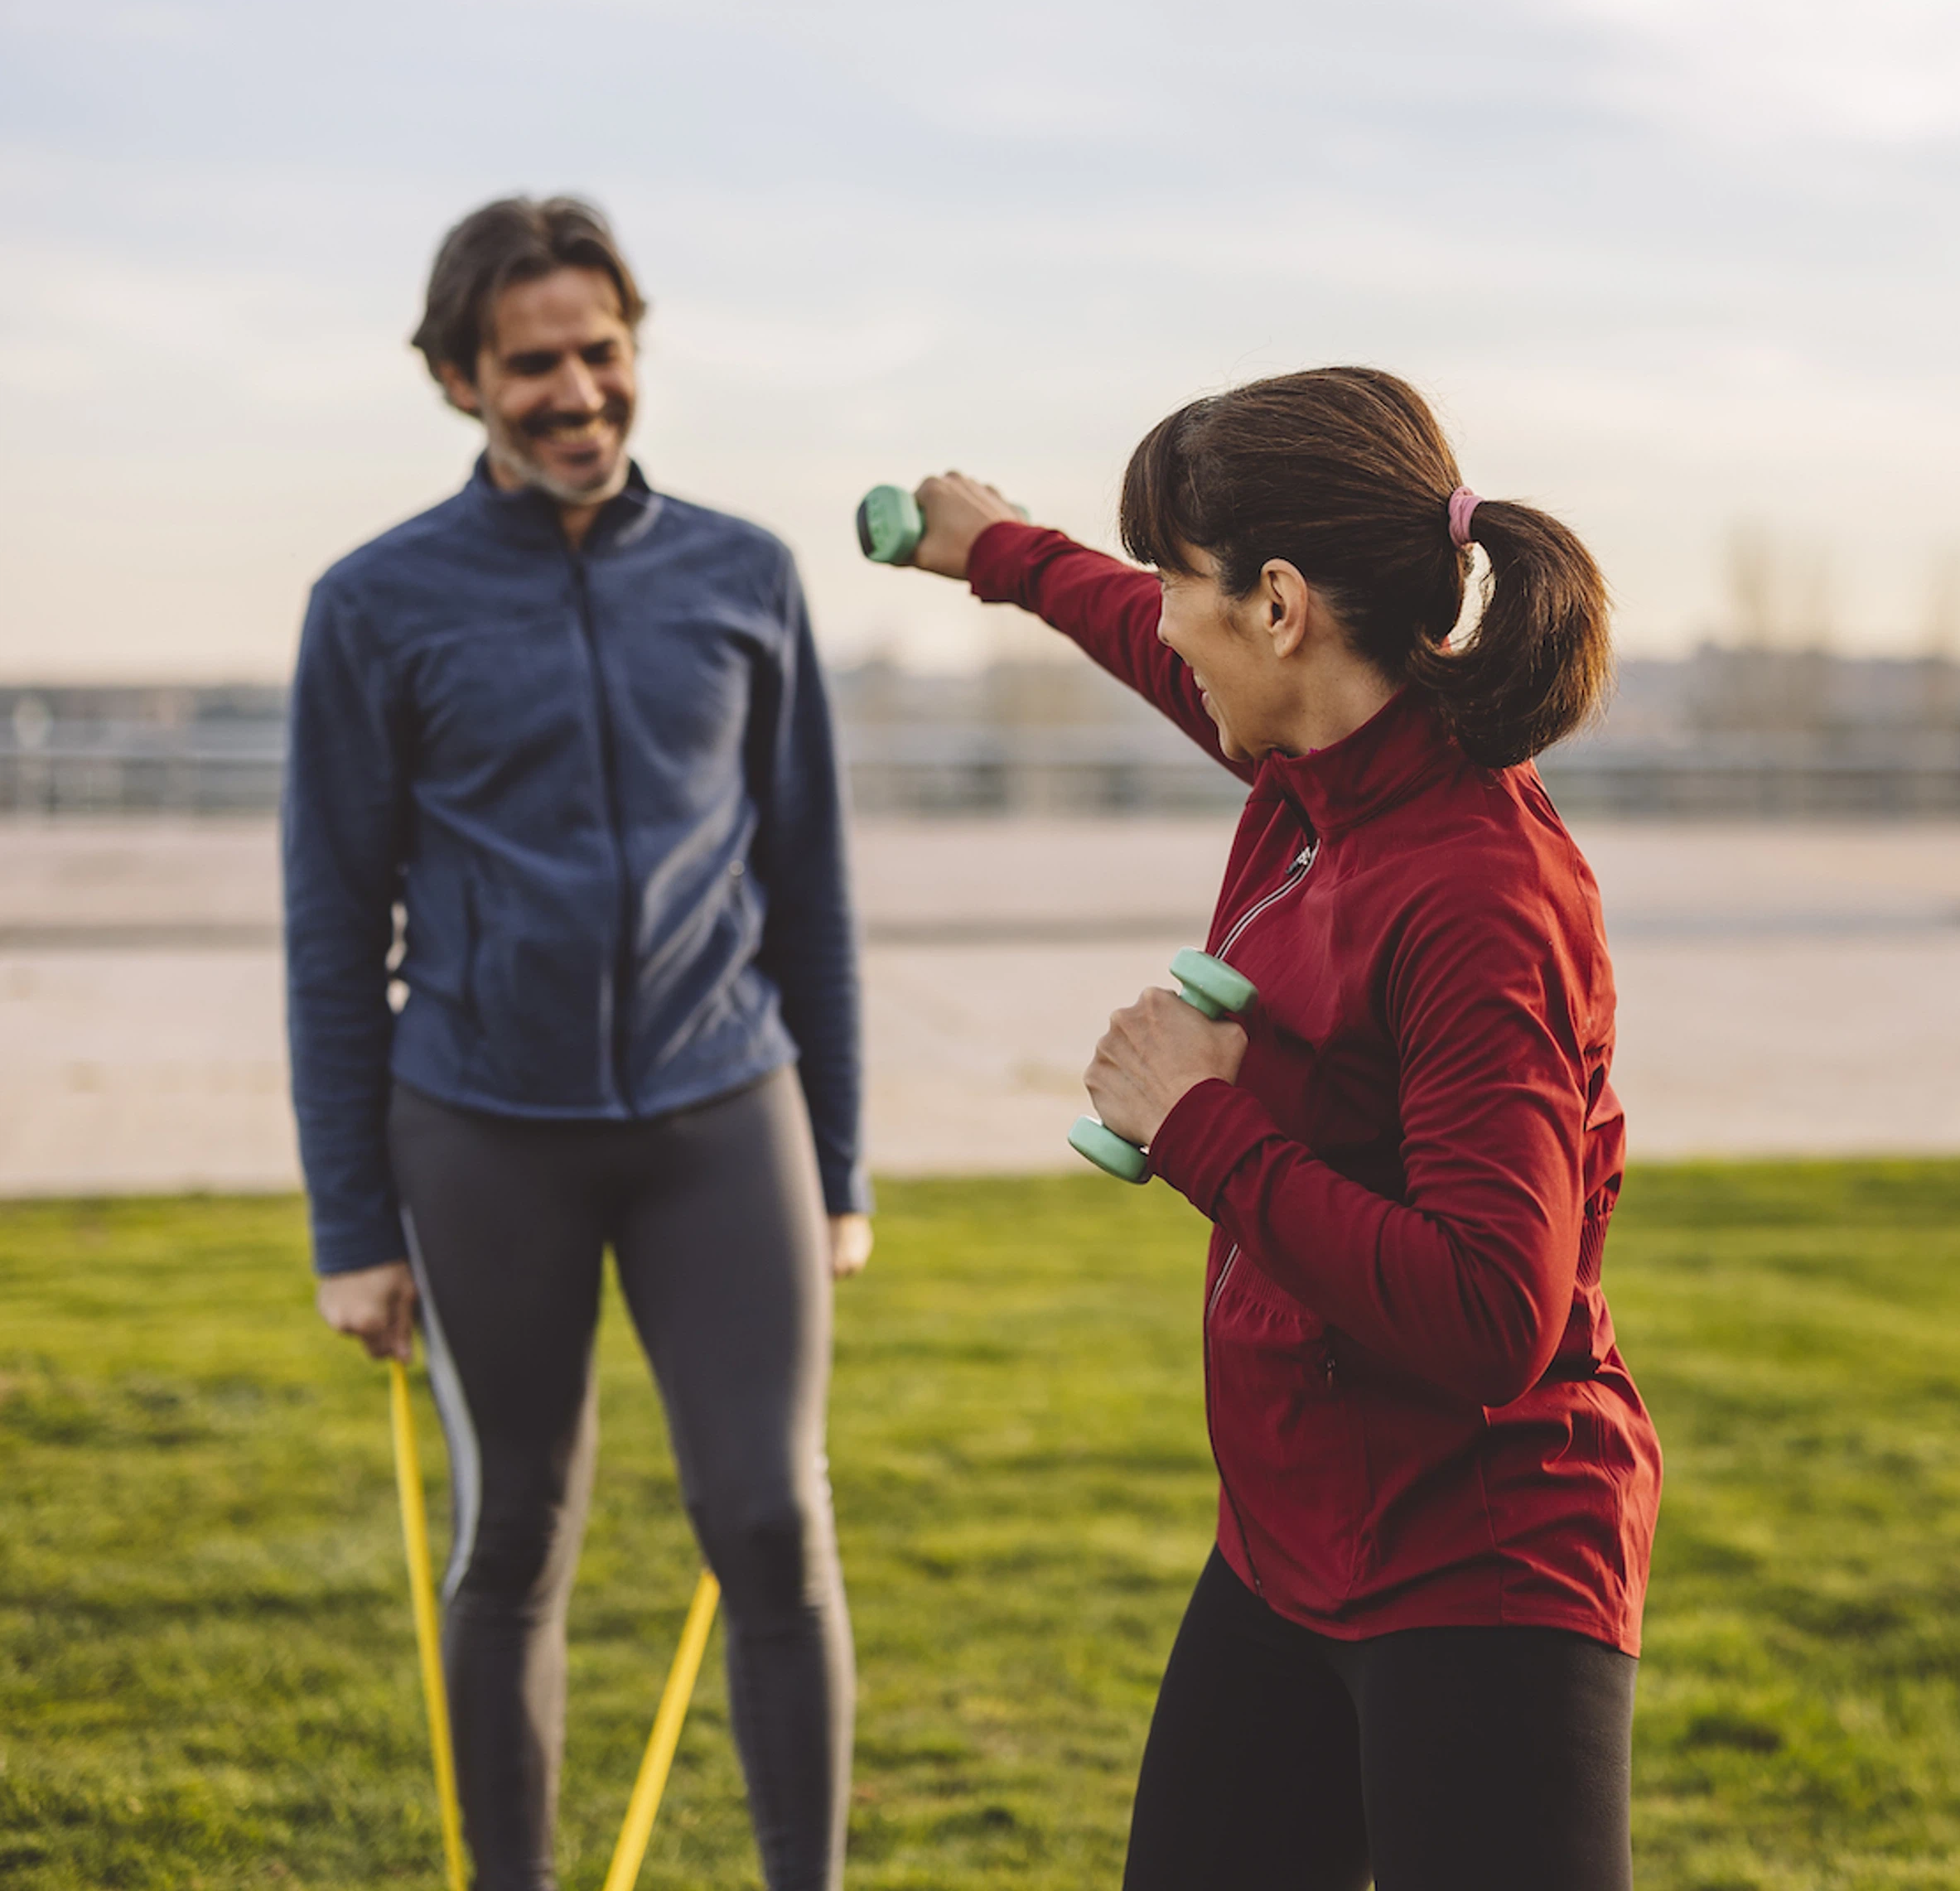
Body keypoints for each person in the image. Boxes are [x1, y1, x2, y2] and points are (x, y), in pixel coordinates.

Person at [899, 369, 1660, 1891]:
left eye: (1187, 579)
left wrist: (1198, 1122)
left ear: (1279, 605)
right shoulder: (1314, 768)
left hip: (1480, 1567)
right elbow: (1144, 637)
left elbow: (1492, 1311)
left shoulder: (1477, 895)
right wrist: (998, 551)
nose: (1165, 616)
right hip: (1288, 1540)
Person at [287, 196, 865, 1891]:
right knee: (517, 1532)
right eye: (531, 362)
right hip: (479, 1124)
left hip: (722, 1110)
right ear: (460, 378)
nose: (577, 391)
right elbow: (332, 934)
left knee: (770, 1516)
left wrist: (835, 1163)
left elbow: (809, 888)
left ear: (635, 347)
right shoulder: (373, 604)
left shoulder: (745, 574)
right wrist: (350, 1227)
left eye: (601, 351)